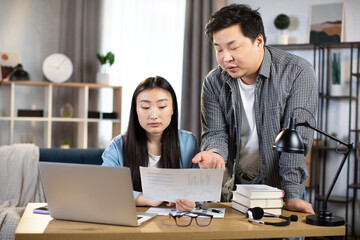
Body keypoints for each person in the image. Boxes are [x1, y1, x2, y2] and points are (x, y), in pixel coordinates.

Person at [192, 4, 317, 214]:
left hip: (280, 187)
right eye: (219, 49)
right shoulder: (213, 82)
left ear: (258, 41)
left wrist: (293, 193)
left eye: (233, 47)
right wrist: (214, 153)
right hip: (233, 186)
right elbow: (214, 132)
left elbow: (296, 142)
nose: (226, 58)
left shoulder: (296, 72)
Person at [102, 76, 199, 212]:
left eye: (161, 106)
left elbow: (200, 189)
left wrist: (191, 200)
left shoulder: (188, 142)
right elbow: (105, 187)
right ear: (136, 110)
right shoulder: (118, 146)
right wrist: (146, 198)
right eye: (145, 107)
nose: (153, 115)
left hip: (176, 223)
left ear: (172, 109)